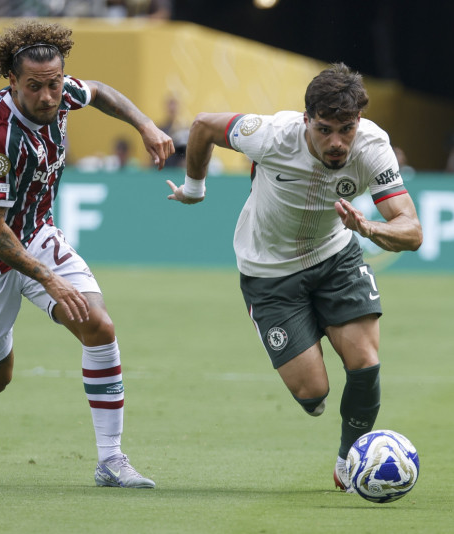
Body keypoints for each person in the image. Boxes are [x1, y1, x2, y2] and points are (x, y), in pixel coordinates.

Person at [0, 20, 174, 489]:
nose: (47, 97)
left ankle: (110, 460)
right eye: (35, 87)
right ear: (13, 82)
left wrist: (145, 124)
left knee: (98, 325)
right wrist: (48, 279)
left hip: (36, 233)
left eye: (55, 84)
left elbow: (99, 91)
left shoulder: (62, 94)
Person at [165, 63, 422, 492]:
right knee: (313, 396)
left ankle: (348, 463)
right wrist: (194, 188)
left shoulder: (373, 147)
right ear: (306, 120)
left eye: (347, 129)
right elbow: (203, 125)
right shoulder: (271, 135)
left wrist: (369, 228)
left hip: (335, 257)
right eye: (325, 130)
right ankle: (308, 330)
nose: (337, 142)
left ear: (359, 121)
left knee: (364, 361)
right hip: (269, 272)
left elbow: (411, 231)